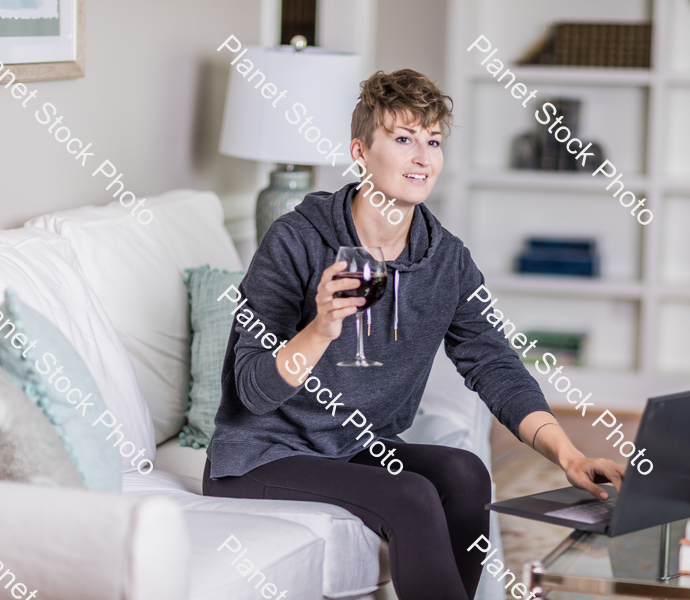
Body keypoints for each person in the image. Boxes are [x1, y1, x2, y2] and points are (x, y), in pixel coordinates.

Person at [204, 69, 624, 600]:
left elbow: (494, 363)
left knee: (466, 474)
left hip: (354, 446)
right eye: (403, 140)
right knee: (411, 496)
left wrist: (569, 455)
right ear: (360, 151)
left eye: (433, 142)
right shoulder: (295, 240)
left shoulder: (445, 259)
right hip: (261, 454)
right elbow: (250, 389)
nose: (423, 158)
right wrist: (320, 329)